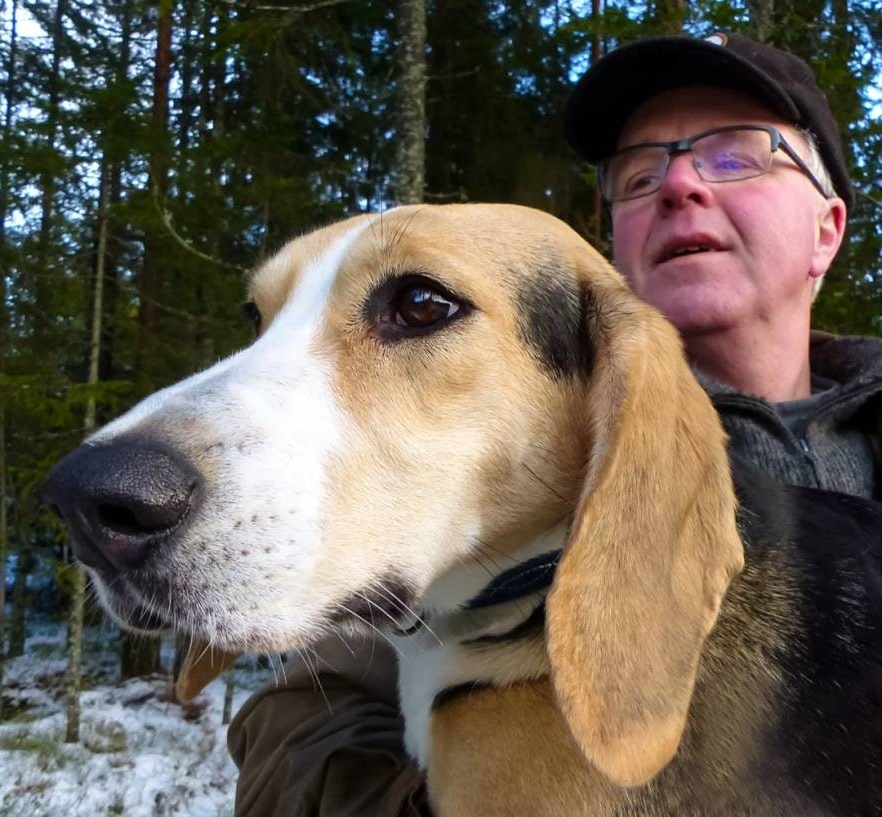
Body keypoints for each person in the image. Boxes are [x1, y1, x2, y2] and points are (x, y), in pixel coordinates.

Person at [227, 32, 882, 817]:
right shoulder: (478, 459)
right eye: (639, 174)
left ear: (827, 229)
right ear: (616, 245)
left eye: (737, 155)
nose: (677, 183)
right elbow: (291, 737)